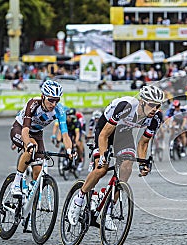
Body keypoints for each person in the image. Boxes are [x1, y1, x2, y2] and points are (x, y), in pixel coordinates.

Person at [67, 85, 165, 230]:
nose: (154, 109)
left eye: (158, 106)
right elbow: (104, 135)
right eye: (151, 105)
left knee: (127, 168)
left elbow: (143, 143)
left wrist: (143, 163)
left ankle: (108, 209)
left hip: (124, 135)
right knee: (101, 168)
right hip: (105, 132)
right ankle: (79, 200)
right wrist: (102, 155)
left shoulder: (156, 117)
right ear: (142, 101)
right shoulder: (126, 106)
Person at [10, 80, 74, 196]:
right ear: (42, 96)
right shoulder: (34, 103)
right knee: (32, 147)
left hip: (37, 133)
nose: (54, 104)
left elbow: (65, 134)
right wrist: (28, 143)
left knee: (38, 171)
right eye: (51, 100)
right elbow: (25, 130)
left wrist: (69, 150)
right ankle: (16, 183)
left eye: (57, 100)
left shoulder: (59, 110)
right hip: (20, 128)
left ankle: (28, 195)